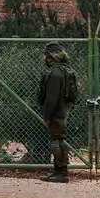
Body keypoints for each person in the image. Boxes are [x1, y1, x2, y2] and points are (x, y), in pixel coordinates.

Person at [38, 41, 74, 184]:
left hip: (56, 111)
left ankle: (62, 172)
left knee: (57, 141)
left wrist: (47, 115)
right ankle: (58, 171)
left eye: (45, 55)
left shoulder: (55, 73)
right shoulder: (64, 71)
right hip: (62, 109)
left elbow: (51, 98)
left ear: (51, 56)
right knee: (58, 139)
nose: (44, 57)